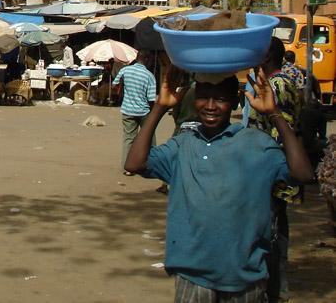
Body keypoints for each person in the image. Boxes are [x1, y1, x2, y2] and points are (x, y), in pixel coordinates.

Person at [125, 66, 314, 301]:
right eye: (203, 97)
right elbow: (135, 164)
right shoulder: (183, 144)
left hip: (245, 276)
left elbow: (303, 174)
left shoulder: (257, 144)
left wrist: (274, 114)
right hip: (193, 274)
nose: (211, 106)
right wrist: (160, 107)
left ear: (235, 103)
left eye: (221, 99)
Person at [248, 38, 303, 302]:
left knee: (272, 235)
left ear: (267, 54)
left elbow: (279, 133)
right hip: (274, 172)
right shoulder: (280, 83)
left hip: (272, 176)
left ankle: (275, 290)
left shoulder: (277, 85)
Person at [111, 50, 156, 173]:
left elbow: (114, 85)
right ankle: (152, 165)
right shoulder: (149, 76)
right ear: (146, 60)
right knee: (149, 138)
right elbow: (151, 99)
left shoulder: (125, 70)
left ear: (136, 58)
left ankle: (127, 167)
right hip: (143, 111)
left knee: (128, 139)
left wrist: (122, 91)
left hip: (127, 109)